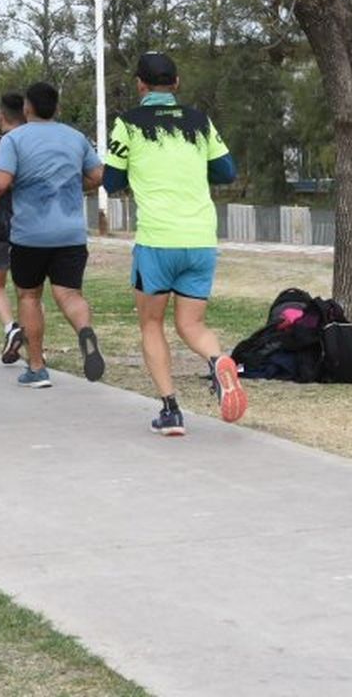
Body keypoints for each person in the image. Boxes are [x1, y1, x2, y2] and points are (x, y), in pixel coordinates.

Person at [102, 52, 244, 436]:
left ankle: (170, 410)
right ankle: (218, 361)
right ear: (176, 84)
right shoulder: (200, 121)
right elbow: (226, 170)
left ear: (140, 85)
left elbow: (111, 182)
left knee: (151, 324)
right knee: (191, 324)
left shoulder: (128, 125)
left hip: (157, 241)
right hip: (200, 238)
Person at [0, 81, 106, 389]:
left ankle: (37, 368)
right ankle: (84, 331)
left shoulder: (14, 139)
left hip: (30, 235)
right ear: (57, 108)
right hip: (71, 233)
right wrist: (70, 185)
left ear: (27, 107)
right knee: (70, 294)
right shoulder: (76, 138)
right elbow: (97, 176)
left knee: (29, 296)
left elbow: (0, 182)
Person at [0, 92, 27, 365]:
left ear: (2, 117)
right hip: (31, 224)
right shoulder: (35, 143)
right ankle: (37, 351)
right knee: (29, 292)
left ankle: (12, 328)